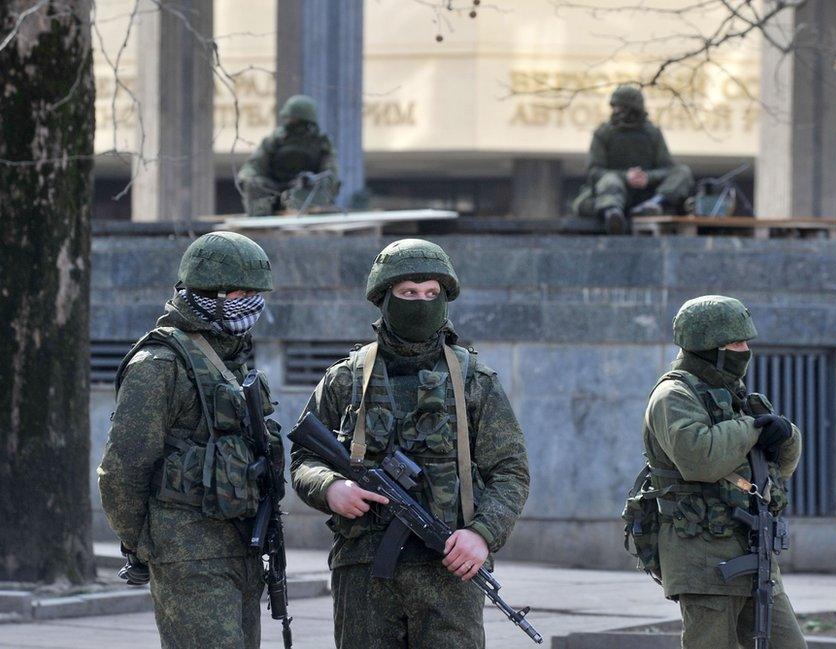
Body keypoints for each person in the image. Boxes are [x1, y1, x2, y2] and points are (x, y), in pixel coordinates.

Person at [290, 238, 531, 649]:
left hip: (449, 570)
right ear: (385, 299)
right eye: (408, 293)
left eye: (430, 293)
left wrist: (482, 534)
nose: (421, 302)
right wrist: (331, 487)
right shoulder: (346, 378)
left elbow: (510, 470)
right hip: (364, 569)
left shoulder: (475, 380)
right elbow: (304, 458)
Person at [97, 232, 282, 649]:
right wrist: (144, 542)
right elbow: (122, 470)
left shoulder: (230, 360)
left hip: (242, 548)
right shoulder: (160, 364)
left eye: (256, 293)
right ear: (209, 294)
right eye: (242, 292)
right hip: (189, 555)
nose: (252, 303)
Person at [641, 295, 806, 649]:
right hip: (702, 560)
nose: (744, 351)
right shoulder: (674, 395)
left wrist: (786, 435)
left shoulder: (738, 399)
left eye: (745, 342)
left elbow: (777, 474)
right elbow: (700, 457)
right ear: (708, 347)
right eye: (735, 343)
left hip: (754, 554)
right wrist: (753, 428)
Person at [572, 84, 695, 234]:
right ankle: (612, 214)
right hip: (611, 193)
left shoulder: (652, 133)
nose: (616, 112)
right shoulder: (603, 133)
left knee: (682, 172)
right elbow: (594, 172)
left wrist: (647, 178)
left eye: (621, 107)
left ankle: (654, 206)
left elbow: (667, 168)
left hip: (646, 194)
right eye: (615, 107)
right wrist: (625, 177)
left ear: (633, 109)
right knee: (609, 180)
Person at [237, 94, 340, 216]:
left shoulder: (320, 142)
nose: (289, 122)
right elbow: (256, 163)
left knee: (303, 197)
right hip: (273, 189)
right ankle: (260, 216)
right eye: (289, 118)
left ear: (305, 120)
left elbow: (330, 171)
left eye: (294, 119)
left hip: (305, 189)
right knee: (255, 185)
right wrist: (249, 177)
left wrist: (317, 181)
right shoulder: (276, 140)